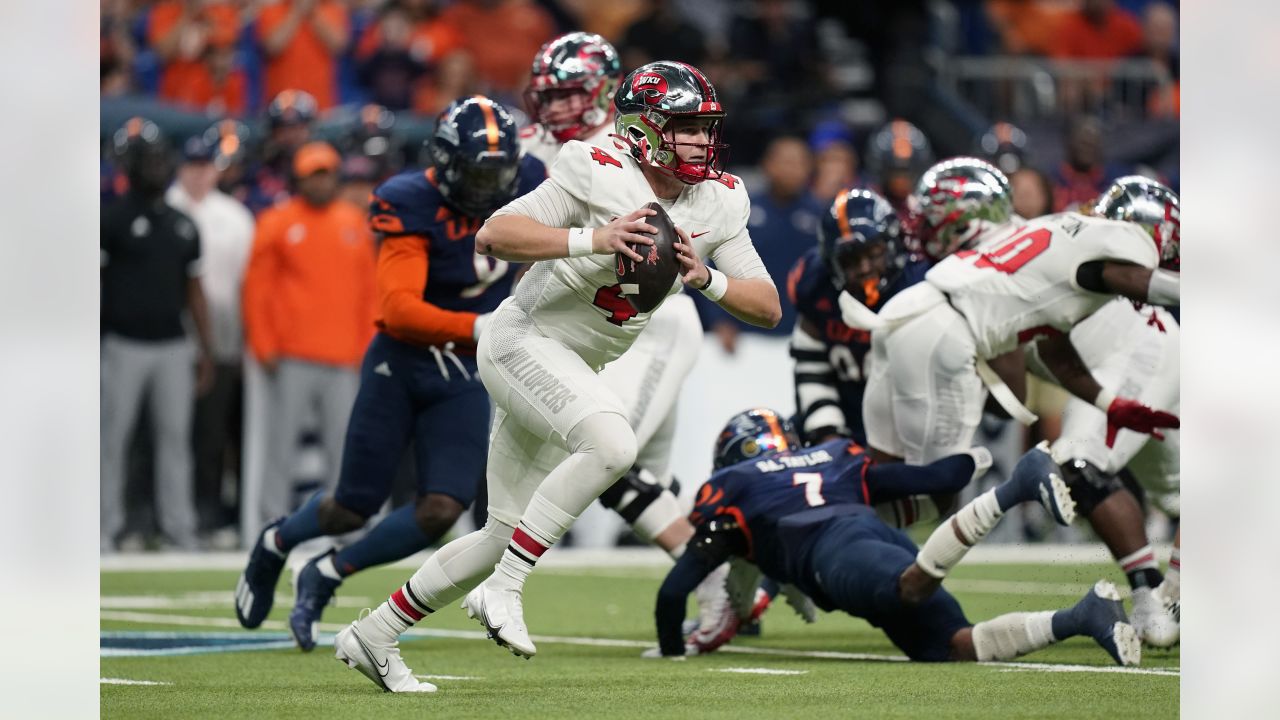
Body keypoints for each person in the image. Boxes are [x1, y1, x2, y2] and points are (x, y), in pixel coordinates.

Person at [333, 60, 780, 693]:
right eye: (685, 128)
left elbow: (766, 305)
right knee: (613, 444)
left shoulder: (720, 198)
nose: (702, 142)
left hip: (576, 361)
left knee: (496, 534)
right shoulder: (593, 168)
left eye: (705, 128)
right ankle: (507, 590)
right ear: (645, 130)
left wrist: (706, 278)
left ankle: (373, 635)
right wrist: (594, 237)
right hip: (524, 340)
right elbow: (495, 234)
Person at [235, 96, 545, 650]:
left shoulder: (531, 180)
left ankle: (328, 572)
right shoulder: (410, 199)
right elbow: (398, 308)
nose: (484, 185)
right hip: (401, 361)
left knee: (440, 511)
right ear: (446, 162)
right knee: (351, 504)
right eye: (474, 172)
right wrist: (481, 327)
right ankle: (277, 539)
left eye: (495, 173)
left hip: (465, 370)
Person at [520, 33, 729, 638]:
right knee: (633, 482)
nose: (555, 108)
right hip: (602, 322)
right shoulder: (553, 149)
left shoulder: (623, 153)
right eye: (549, 96)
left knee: (609, 463)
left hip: (648, 319)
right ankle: (733, 580)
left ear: (606, 95)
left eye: (569, 94)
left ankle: (726, 581)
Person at [649, 408, 1139, 667]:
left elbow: (674, 591)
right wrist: (977, 461)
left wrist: (671, 647)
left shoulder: (734, 487)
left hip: (833, 554)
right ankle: (1082, 617)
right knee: (953, 646)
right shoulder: (832, 455)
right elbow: (929, 480)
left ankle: (1016, 488)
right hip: (874, 535)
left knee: (910, 587)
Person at [858, 157, 1179, 477]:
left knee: (1080, 470)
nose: (921, 230)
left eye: (930, 220)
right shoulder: (1032, 237)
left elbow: (1013, 394)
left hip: (1138, 354)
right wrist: (1109, 403)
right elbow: (1050, 344)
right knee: (1169, 491)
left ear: (965, 221)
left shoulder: (1097, 240)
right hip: (1099, 362)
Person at [1036, 177, 1181, 647]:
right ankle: (1169, 594)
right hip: (1132, 368)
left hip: (1141, 361)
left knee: (1079, 464)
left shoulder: (1130, 282)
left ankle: (1153, 594)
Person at [240, 141, 377, 529]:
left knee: (344, 448)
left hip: (343, 357)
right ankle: (270, 523)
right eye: (313, 175)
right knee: (279, 445)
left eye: (326, 173)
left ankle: (344, 524)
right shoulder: (277, 222)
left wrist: (367, 345)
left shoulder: (353, 223)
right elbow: (257, 288)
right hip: (291, 355)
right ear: (298, 179)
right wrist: (263, 343)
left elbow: (370, 292)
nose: (320, 182)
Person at [101, 118, 215, 552]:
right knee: (113, 440)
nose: (156, 167)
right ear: (129, 166)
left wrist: (206, 348)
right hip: (122, 344)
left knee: (175, 441)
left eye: (160, 159)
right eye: (147, 160)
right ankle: (103, 528)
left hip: (172, 345)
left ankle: (178, 528)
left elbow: (196, 290)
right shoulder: (109, 219)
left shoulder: (183, 224)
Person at [165, 134, 255, 538]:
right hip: (166, 336)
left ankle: (207, 512)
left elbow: (246, 284)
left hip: (221, 338)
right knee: (162, 433)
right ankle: (156, 514)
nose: (198, 174)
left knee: (211, 433)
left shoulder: (235, 217)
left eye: (205, 166)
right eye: (191, 166)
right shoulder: (165, 208)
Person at [256, 0, 350, 110]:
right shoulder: (271, 10)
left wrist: (312, 13)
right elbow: (273, 46)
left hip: (320, 103)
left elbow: (338, 46)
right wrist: (296, 12)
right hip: (282, 104)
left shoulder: (332, 9)